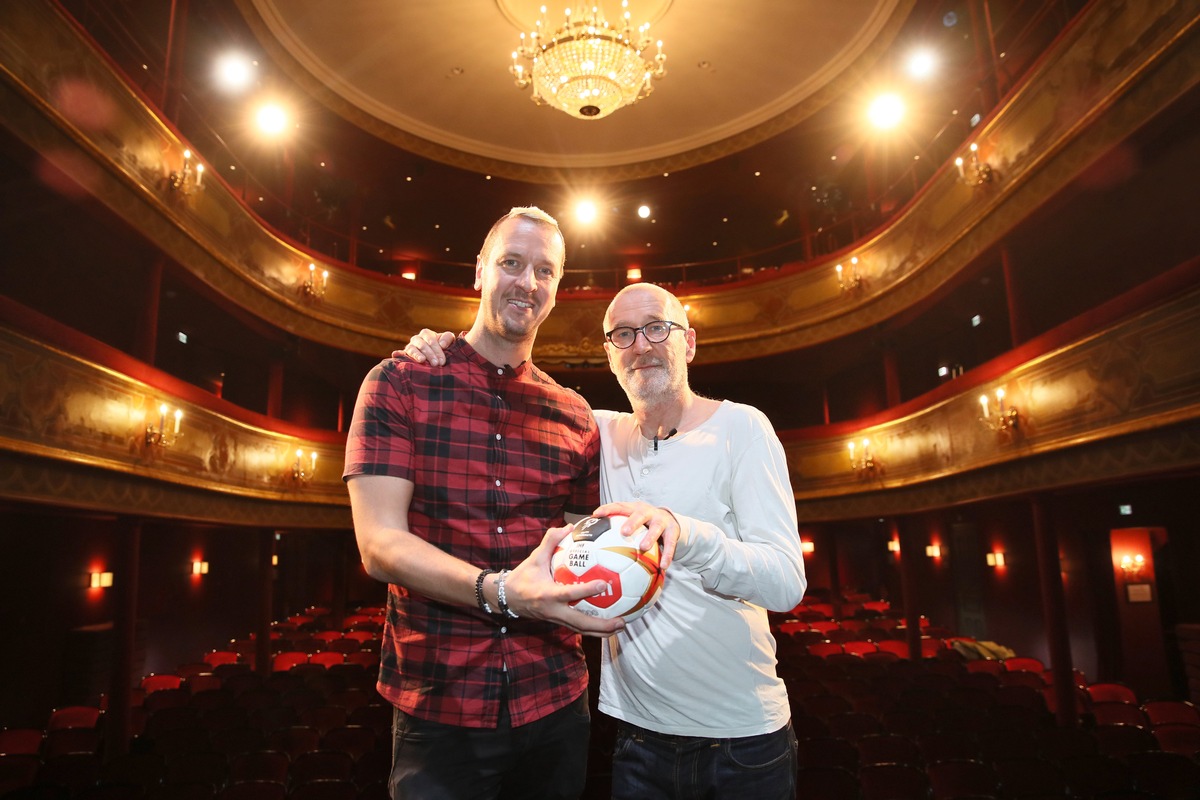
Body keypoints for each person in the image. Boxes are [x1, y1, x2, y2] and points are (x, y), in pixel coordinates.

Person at [405, 281, 806, 799]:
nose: (641, 345)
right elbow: (502, 400)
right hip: (636, 739)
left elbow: (786, 583)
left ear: (688, 342)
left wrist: (685, 534)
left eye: (657, 327)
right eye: (623, 334)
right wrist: (439, 350)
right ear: (610, 356)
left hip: (740, 741)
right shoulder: (598, 433)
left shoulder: (743, 428)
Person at [343, 206, 627, 800]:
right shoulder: (399, 383)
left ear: (556, 289)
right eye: (512, 263)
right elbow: (379, 546)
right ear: (480, 272)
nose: (527, 282)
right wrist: (498, 590)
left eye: (544, 271)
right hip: (439, 704)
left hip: (555, 697)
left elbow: (582, 549)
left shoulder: (575, 414)